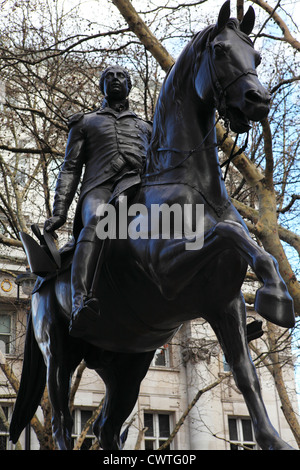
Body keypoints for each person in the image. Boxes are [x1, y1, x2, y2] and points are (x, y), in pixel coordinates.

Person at [44, 65, 152, 336]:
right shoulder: (85, 122)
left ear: (130, 85)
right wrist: (60, 212)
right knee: (98, 220)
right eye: (109, 77)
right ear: (102, 85)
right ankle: (80, 301)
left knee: (184, 224)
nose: (115, 80)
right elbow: (70, 168)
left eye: (121, 77)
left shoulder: (146, 127)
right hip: (100, 188)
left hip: (139, 189)